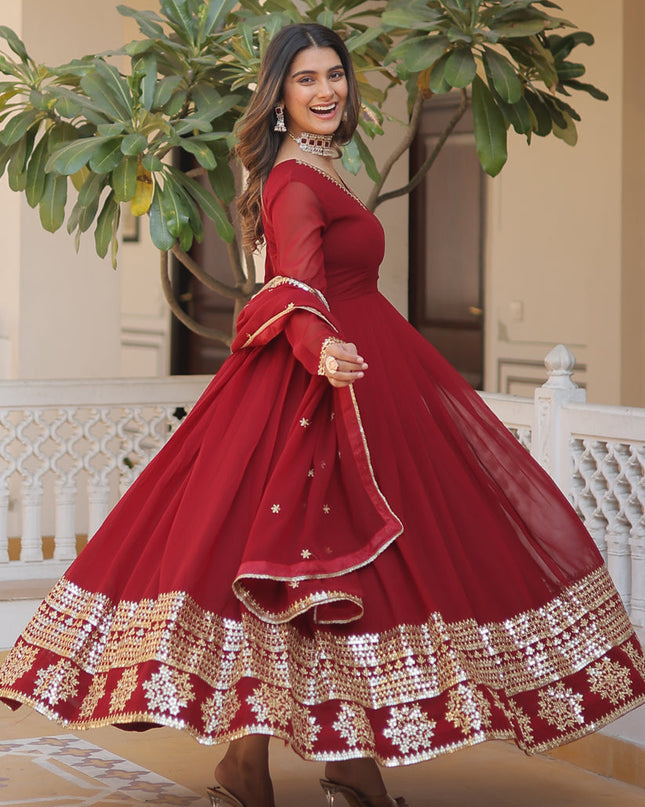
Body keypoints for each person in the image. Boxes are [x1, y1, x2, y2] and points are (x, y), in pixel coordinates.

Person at [2, 20, 645, 807]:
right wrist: (319, 350)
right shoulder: (293, 182)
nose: (326, 90)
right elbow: (294, 282)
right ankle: (285, 767)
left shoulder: (325, 166)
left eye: (334, 75)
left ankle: (321, 761)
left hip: (374, 379)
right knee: (294, 571)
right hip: (316, 389)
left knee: (341, 575)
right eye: (306, 79)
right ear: (278, 97)